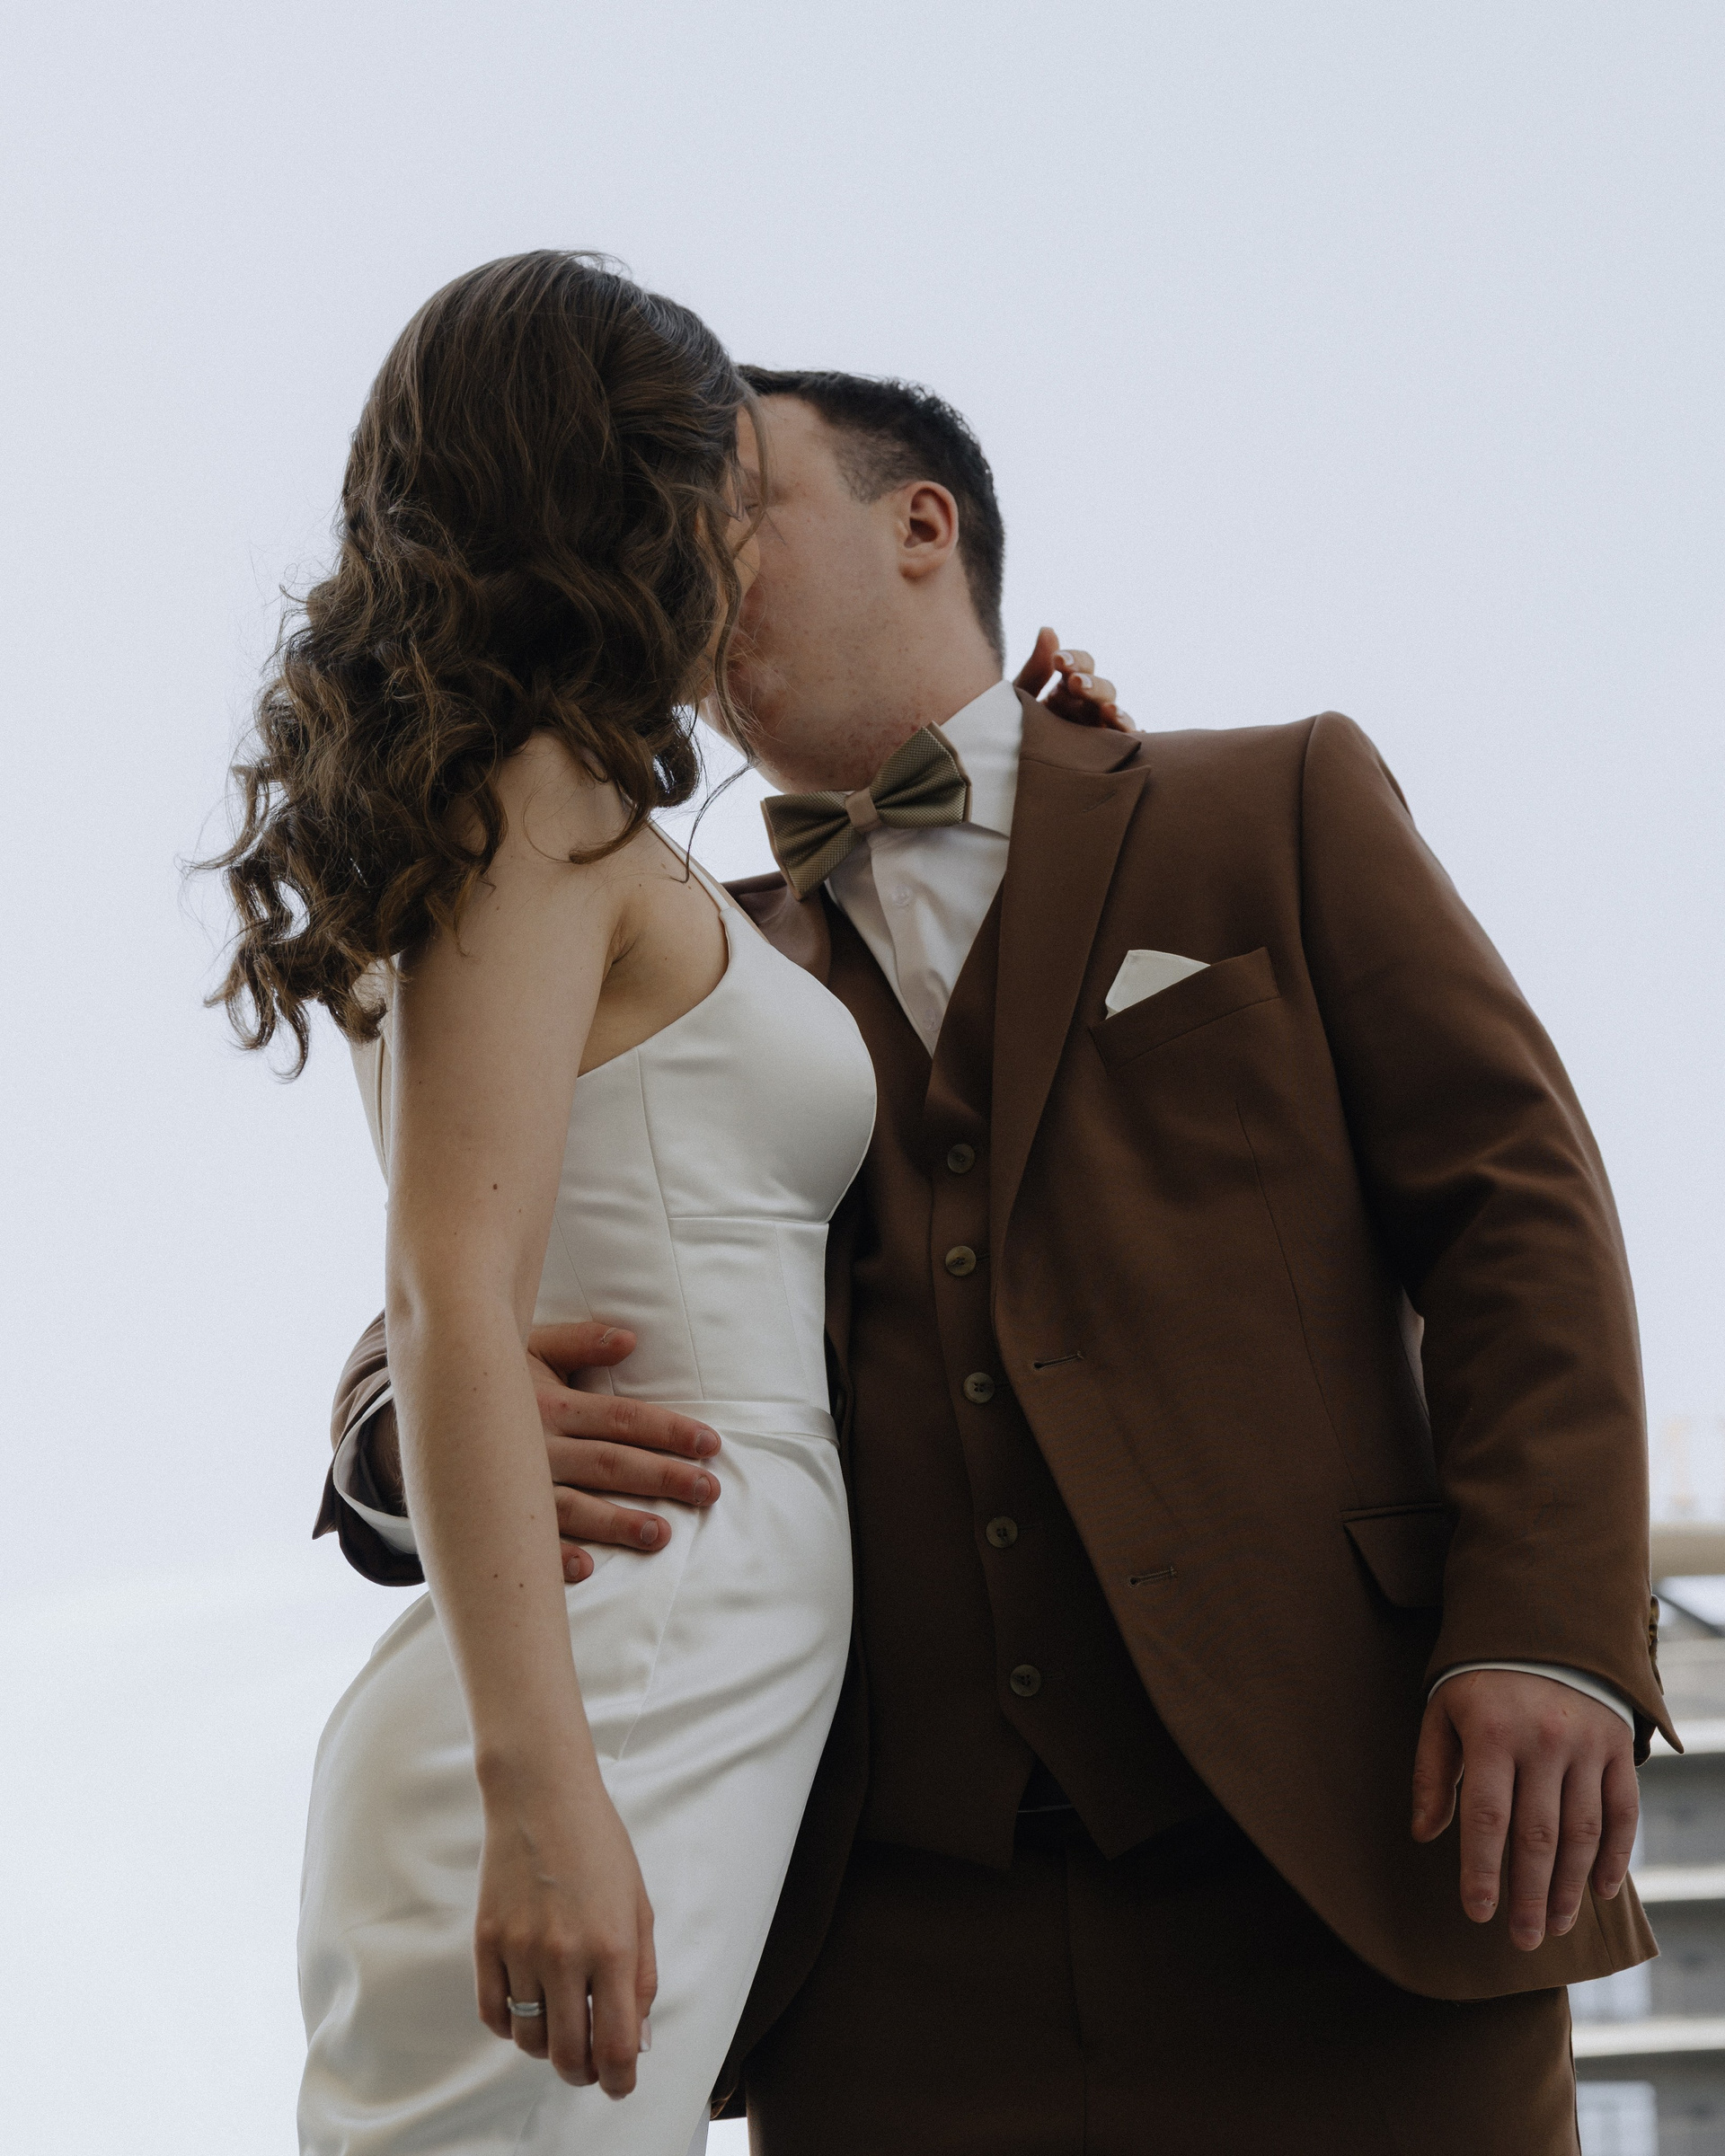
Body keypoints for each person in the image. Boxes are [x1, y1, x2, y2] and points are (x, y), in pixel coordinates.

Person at [318, 367, 1670, 2153]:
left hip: (1350, 1859)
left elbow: (1520, 1205)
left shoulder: (1269, 803)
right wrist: (401, 1433)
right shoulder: (683, 949)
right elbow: (467, 1253)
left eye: (734, 504)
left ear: (920, 524)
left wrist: (1550, 1633)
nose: (684, 564)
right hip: (888, 1964)